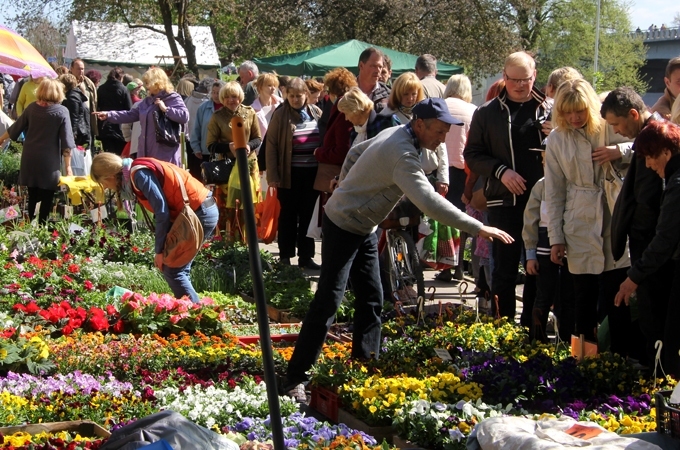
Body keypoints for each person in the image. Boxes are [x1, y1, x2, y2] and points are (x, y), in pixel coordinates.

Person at [281, 98, 514, 401]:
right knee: (328, 301)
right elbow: (428, 201)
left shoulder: (398, 133)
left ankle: (366, 366)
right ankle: (295, 377)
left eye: (446, 132)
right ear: (419, 124)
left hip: (364, 226)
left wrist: (344, 180)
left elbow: (355, 152)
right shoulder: (401, 151)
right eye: (439, 131)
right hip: (343, 224)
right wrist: (477, 227)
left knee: (373, 299)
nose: (443, 138)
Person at [544, 78, 633, 351]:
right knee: (581, 299)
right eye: (568, 112)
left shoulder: (609, 128)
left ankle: (619, 361)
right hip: (578, 222)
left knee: (617, 297)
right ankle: (582, 361)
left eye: (580, 111)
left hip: (613, 217)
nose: (574, 117)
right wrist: (555, 237)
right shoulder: (556, 140)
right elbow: (554, 191)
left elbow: (643, 141)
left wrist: (619, 150)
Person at [464, 51, 551, 319]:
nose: (520, 85)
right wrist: (501, 172)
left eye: (525, 79)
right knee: (504, 269)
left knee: (539, 269)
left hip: (544, 200)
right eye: (514, 79)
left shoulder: (549, 109)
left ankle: (532, 329)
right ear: (504, 77)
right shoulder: (487, 113)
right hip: (504, 201)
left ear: (534, 75)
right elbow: (472, 155)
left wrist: (557, 133)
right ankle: (502, 329)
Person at [602, 87, 670, 367]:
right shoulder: (647, 137)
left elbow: (648, 200)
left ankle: (657, 373)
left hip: (653, 243)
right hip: (648, 242)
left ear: (633, 114)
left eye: (617, 124)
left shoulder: (655, 138)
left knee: (655, 312)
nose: (617, 132)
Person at [90, 153, 218, 303]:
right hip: (199, 211)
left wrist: (159, 251)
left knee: (173, 271)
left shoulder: (138, 175)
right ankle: (194, 314)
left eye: (103, 184)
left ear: (109, 177)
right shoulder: (134, 170)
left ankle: (197, 317)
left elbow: (162, 212)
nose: (105, 188)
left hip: (199, 213)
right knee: (178, 270)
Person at [613, 120, 680, 377]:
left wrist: (634, 277)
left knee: (673, 340)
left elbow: (665, 240)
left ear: (666, 152)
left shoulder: (676, 185)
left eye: (651, 158)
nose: (649, 165)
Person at [266, 78, 322, 270]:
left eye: (299, 95)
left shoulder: (315, 112)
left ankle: (306, 257)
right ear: (286, 96)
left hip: (312, 174)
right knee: (288, 216)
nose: (296, 99)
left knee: (309, 216)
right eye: (292, 96)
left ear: (306, 95)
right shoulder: (280, 114)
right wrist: (273, 176)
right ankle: (285, 256)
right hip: (289, 174)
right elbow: (271, 145)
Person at [0, 79, 74, 223]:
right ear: (58, 93)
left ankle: (31, 226)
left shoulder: (31, 108)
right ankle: (42, 228)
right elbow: (67, 142)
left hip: (29, 158)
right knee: (47, 197)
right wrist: (68, 167)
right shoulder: (62, 111)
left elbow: (15, 128)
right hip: (49, 162)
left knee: (32, 195)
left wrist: (1, 139)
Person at [95, 67, 189, 166]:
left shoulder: (172, 97)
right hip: (145, 152)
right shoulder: (147, 101)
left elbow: (184, 116)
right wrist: (109, 115)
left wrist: (165, 109)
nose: (146, 85)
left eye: (148, 82)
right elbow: (130, 114)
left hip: (165, 154)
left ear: (156, 82)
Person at [206, 81, 262, 239]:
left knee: (249, 203)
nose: (232, 100)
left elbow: (257, 138)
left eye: (235, 96)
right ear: (222, 98)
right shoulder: (217, 117)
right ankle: (227, 239)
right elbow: (210, 145)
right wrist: (228, 147)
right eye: (228, 97)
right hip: (227, 166)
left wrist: (249, 146)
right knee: (228, 206)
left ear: (240, 97)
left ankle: (249, 239)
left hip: (249, 165)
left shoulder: (250, 112)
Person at [437, 74, 478, 282]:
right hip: (464, 172)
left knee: (444, 219)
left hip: (442, 171)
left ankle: (445, 265)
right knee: (462, 219)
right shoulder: (474, 111)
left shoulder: (440, 106)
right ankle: (460, 265)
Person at [191, 80, 226, 178]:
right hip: (207, 151)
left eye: (218, 92)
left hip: (224, 151)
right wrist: (196, 148)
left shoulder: (228, 107)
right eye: (213, 92)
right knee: (207, 179)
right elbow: (197, 128)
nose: (215, 95)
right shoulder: (203, 107)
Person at [97, 68, 132, 155]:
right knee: (120, 156)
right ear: (121, 77)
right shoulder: (123, 89)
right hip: (120, 127)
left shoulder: (101, 89)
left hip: (104, 126)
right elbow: (129, 109)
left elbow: (97, 106)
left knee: (108, 155)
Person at [184, 78, 214, 180]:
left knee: (194, 178)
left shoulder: (187, 100)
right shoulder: (207, 104)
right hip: (204, 146)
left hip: (190, 143)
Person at [59, 74, 91, 149]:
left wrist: (73, 133)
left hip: (77, 132)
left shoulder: (72, 97)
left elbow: (74, 116)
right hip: (79, 130)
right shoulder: (75, 94)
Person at [356, 48, 390, 113]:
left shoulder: (388, 95)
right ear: (361, 66)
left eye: (380, 67)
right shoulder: (345, 90)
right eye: (373, 66)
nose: (378, 70)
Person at [252, 73, 283, 138]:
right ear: (260, 87)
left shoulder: (281, 103)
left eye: (275, 85)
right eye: (269, 85)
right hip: (261, 147)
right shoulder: (252, 109)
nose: (273, 88)